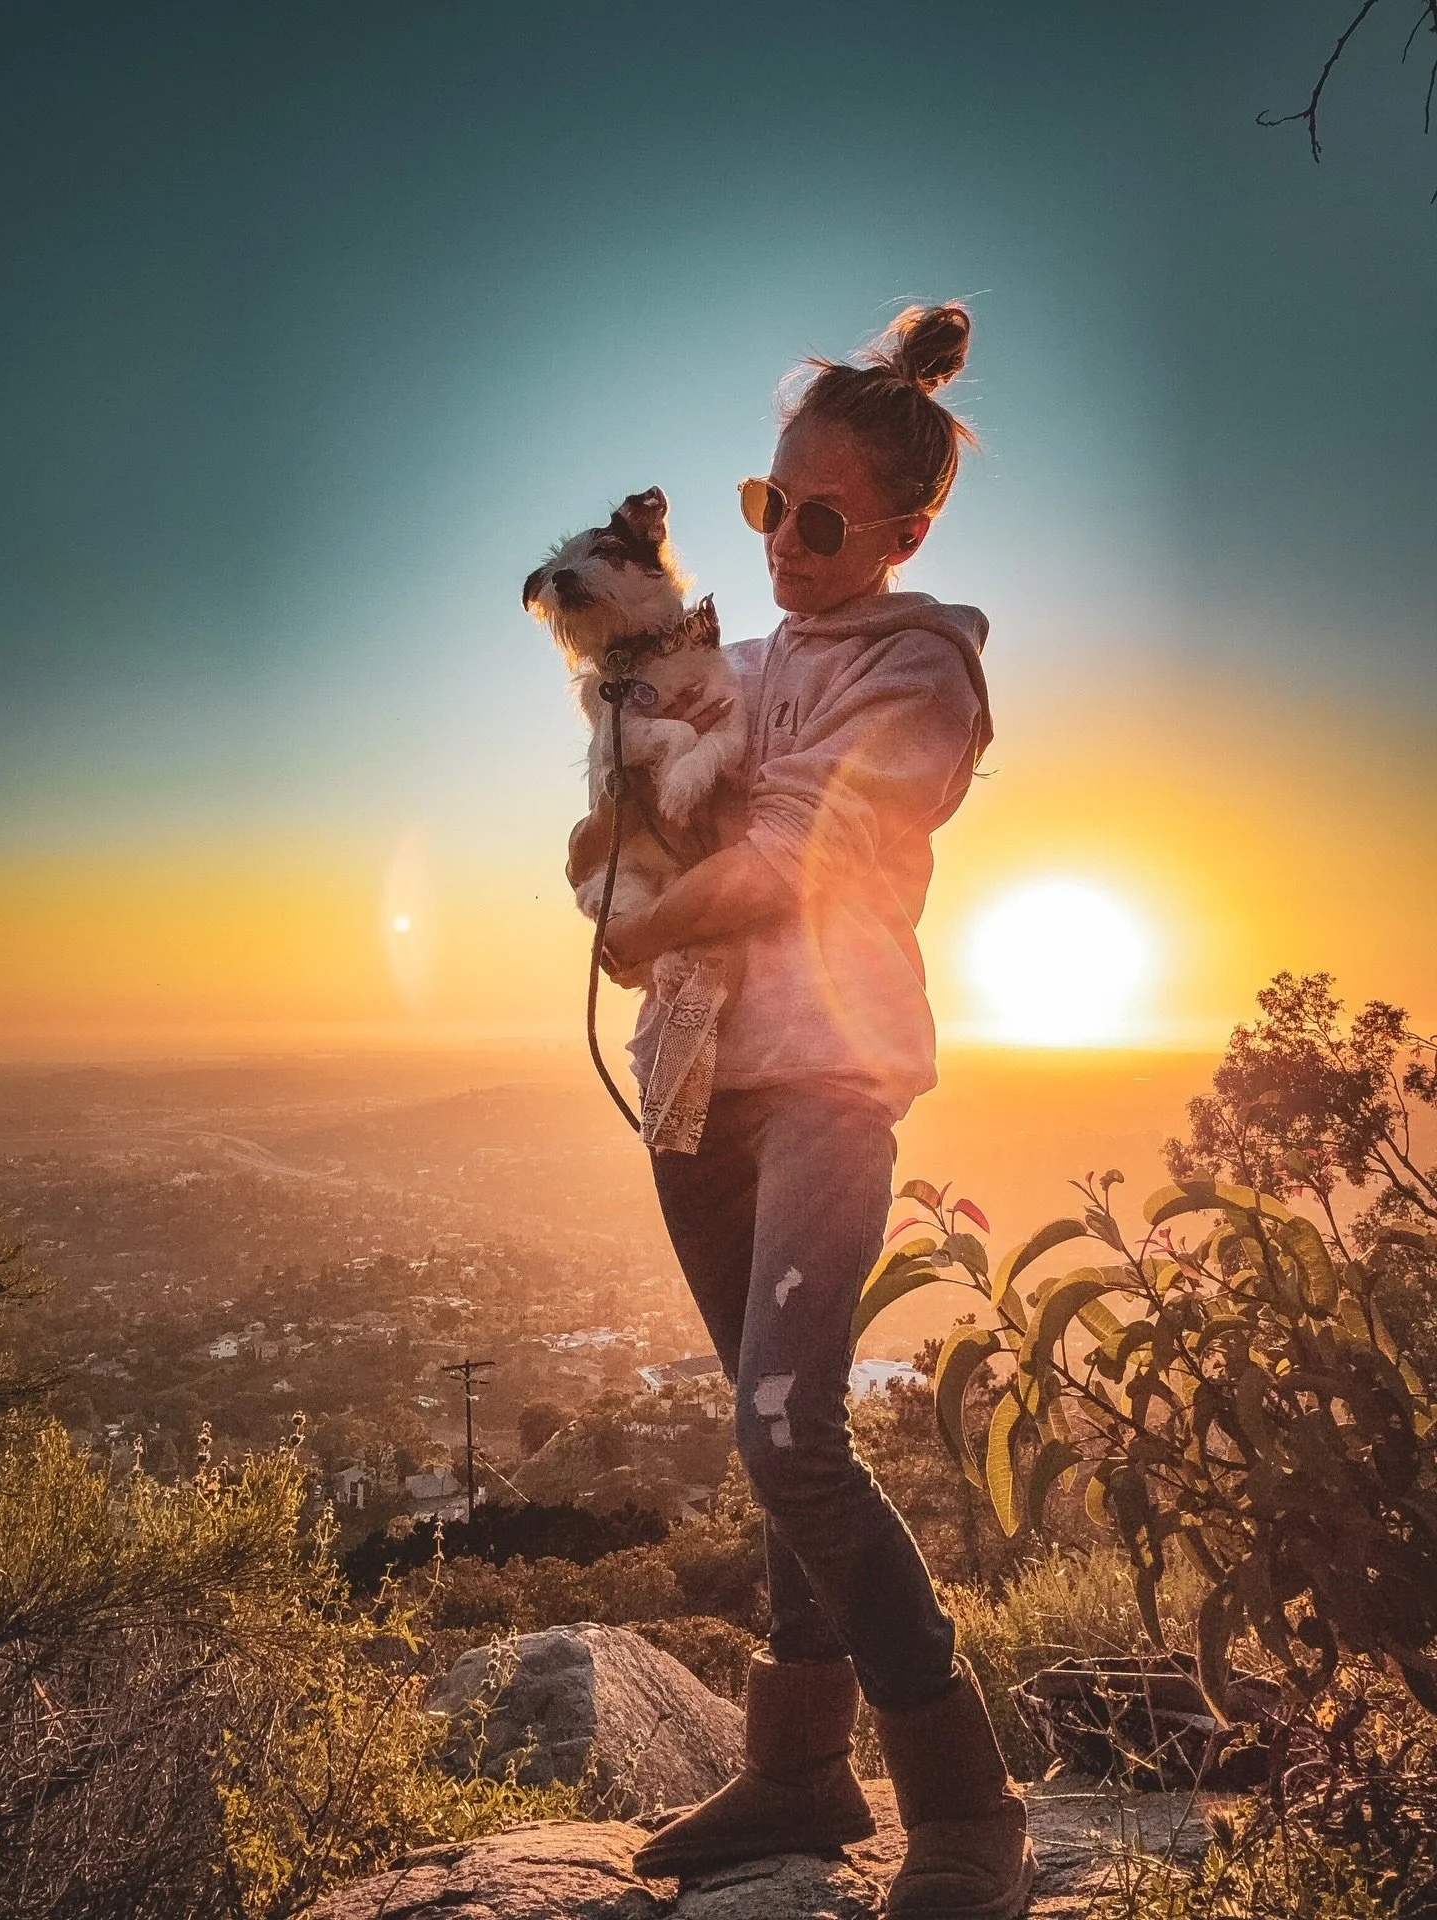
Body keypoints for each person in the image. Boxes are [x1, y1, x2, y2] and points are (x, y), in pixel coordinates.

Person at [569, 304, 1034, 1920]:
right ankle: (795, 1770)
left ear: (908, 531)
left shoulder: (920, 671)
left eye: (822, 521)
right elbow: (656, 745)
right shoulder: (751, 657)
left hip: (827, 1074)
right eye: (769, 507)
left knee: (787, 1426)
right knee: (776, 1449)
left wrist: (654, 916)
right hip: (696, 1081)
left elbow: (805, 852)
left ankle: (965, 1805)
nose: (782, 544)